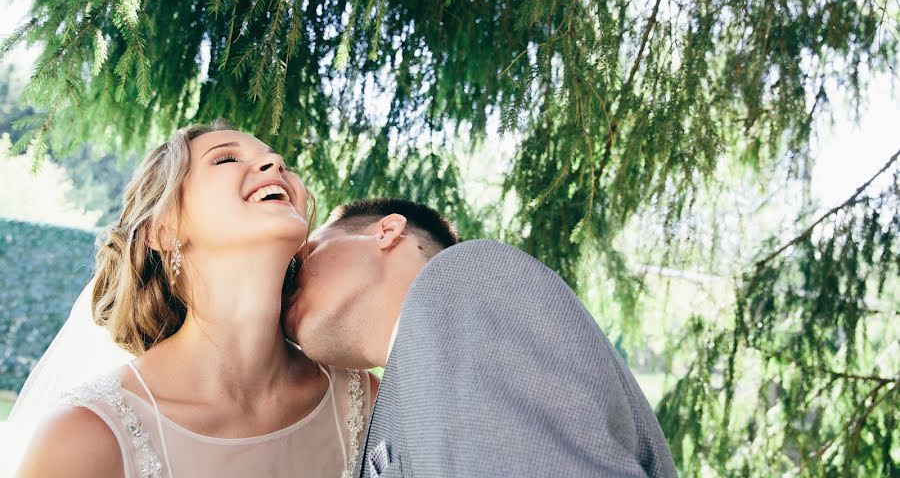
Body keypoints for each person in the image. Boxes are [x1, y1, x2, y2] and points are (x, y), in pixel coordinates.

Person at [15, 120, 377, 478]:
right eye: (225, 160)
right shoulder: (84, 438)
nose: (277, 164)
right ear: (163, 229)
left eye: (279, 161)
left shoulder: (366, 402)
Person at [286, 198, 678, 477]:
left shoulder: (463, 278)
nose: (286, 284)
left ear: (387, 232)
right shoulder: (400, 395)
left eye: (305, 256)